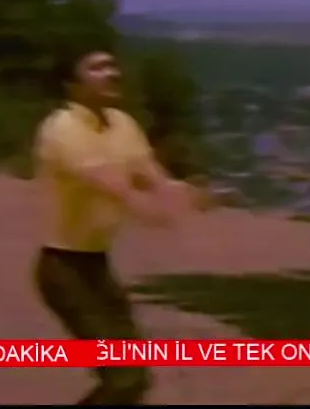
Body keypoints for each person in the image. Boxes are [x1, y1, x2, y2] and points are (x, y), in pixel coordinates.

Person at [33, 44, 203, 405]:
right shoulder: (62, 129)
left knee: (136, 378)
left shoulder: (122, 123)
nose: (112, 73)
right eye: (96, 68)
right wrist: (152, 210)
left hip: (97, 267)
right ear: (70, 84)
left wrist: (177, 191)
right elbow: (114, 185)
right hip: (64, 270)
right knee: (124, 378)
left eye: (112, 66)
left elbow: (150, 174)